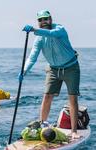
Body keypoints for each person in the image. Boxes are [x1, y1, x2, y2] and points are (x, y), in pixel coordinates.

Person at [21, 10, 80, 139]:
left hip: (71, 67)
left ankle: (74, 131)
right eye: (40, 20)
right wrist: (24, 71)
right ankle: (42, 126)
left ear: (50, 19)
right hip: (53, 69)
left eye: (45, 19)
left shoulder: (60, 29)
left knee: (73, 99)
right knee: (47, 96)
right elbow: (32, 57)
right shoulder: (39, 39)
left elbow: (52, 33)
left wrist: (34, 30)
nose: (43, 22)